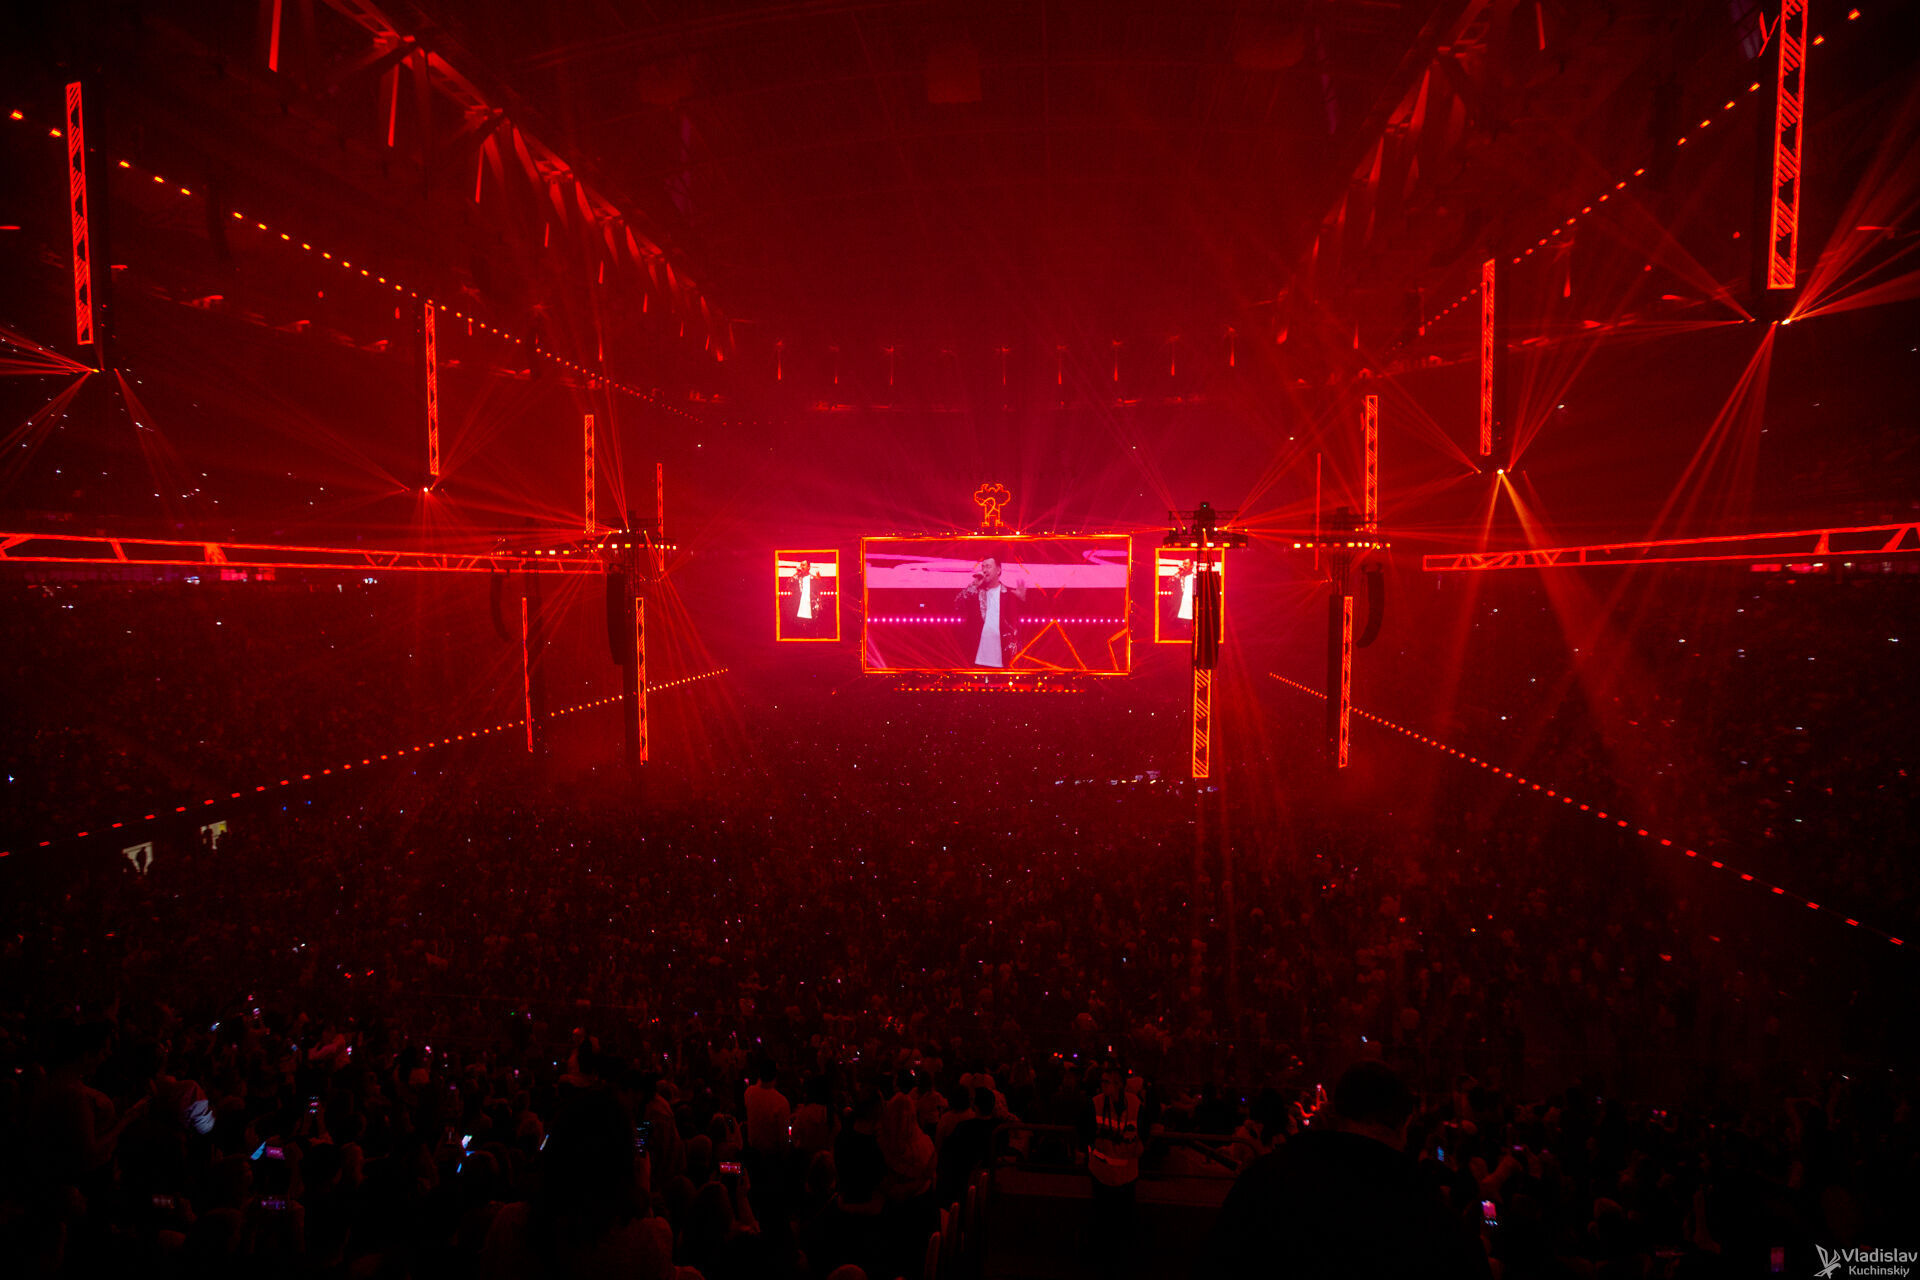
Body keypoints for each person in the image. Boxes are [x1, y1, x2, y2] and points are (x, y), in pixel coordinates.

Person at [1199, 1061, 1491, 1279]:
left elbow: (1215, 1261)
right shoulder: (1430, 1217)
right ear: (1405, 1123)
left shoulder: (1264, 1182)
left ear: (1335, 1113)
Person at [1082, 1065, 1142, 1274]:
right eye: (1103, 1081)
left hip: (1118, 1173)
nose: (1104, 1085)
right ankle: (1111, 1264)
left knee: (1115, 1223)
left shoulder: (1133, 1105)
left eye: (1108, 1082)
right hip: (1109, 1173)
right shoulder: (1097, 1103)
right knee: (1107, 1223)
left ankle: (1112, 1263)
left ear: (1120, 1085)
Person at [953, 555, 1027, 668]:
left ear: (998, 570)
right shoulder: (975, 592)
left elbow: (1020, 622)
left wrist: (1023, 601)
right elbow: (957, 605)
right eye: (983, 567)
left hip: (1003, 655)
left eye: (988, 566)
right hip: (977, 655)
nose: (984, 570)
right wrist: (974, 585)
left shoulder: (1009, 593)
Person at [781, 558, 832, 638]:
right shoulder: (796, 578)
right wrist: (796, 574)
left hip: (811, 609)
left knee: (811, 632)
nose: (802, 567)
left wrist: (820, 580)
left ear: (808, 567)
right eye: (801, 565)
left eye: (804, 565)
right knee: (798, 633)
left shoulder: (813, 579)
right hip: (798, 609)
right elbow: (788, 586)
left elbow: (823, 588)